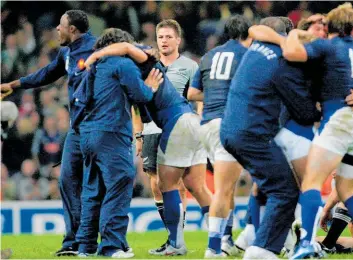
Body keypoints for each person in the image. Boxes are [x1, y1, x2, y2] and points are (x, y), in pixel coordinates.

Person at [252, 3, 353, 258]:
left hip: (339, 121)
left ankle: (307, 244)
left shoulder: (326, 46)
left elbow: (290, 52)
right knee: (347, 190)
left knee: (310, 182)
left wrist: (288, 36)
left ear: (329, 28)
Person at [85, 41, 210, 256]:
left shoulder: (147, 65)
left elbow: (126, 46)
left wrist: (96, 55)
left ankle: (176, 243)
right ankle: (222, 240)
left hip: (177, 122)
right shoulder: (136, 79)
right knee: (196, 186)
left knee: (166, 184)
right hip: (191, 120)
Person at [0, 10, 97, 256]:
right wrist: (14, 84)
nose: (56, 29)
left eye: (61, 25)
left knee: (97, 184)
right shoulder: (66, 52)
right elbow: (47, 73)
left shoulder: (97, 49)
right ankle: (73, 241)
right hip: (77, 128)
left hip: (98, 126)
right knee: (66, 181)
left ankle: (105, 241)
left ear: (72, 29)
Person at [73, 28, 162, 258]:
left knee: (93, 190)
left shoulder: (95, 66)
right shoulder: (122, 64)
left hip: (88, 133)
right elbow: (141, 95)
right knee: (120, 183)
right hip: (111, 133)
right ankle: (112, 246)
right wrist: (150, 87)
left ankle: (86, 247)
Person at [220, 17, 301, 259]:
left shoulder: (255, 49)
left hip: (230, 131)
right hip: (253, 133)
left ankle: (251, 234)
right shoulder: (283, 59)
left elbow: (255, 28)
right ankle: (262, 248)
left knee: (265, 185)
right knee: (285, 190)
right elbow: (300, 106)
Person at [187, 15, 252, 258]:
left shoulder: (209, 56)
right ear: (248, 34)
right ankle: (214, 248)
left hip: (207, 126)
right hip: (228, 124)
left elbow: (193, 93)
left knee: (228, 186)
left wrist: (215, 95)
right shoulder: (247, 55)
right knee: (225, 189)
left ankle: (226, 239)